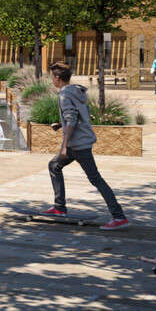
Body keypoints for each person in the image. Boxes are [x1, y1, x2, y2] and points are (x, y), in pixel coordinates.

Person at [41, 61, 130, 230]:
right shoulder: (76, 91)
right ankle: (59, 207)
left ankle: (119, 216)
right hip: (79, 143)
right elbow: (82, 114)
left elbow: (72, 119)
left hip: (77, 145)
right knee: (54, 165)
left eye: (52, 77)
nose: (51, 80)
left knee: (95, 178)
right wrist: (60, 124)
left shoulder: (64, 95)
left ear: (57, 78)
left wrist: (64, 146)